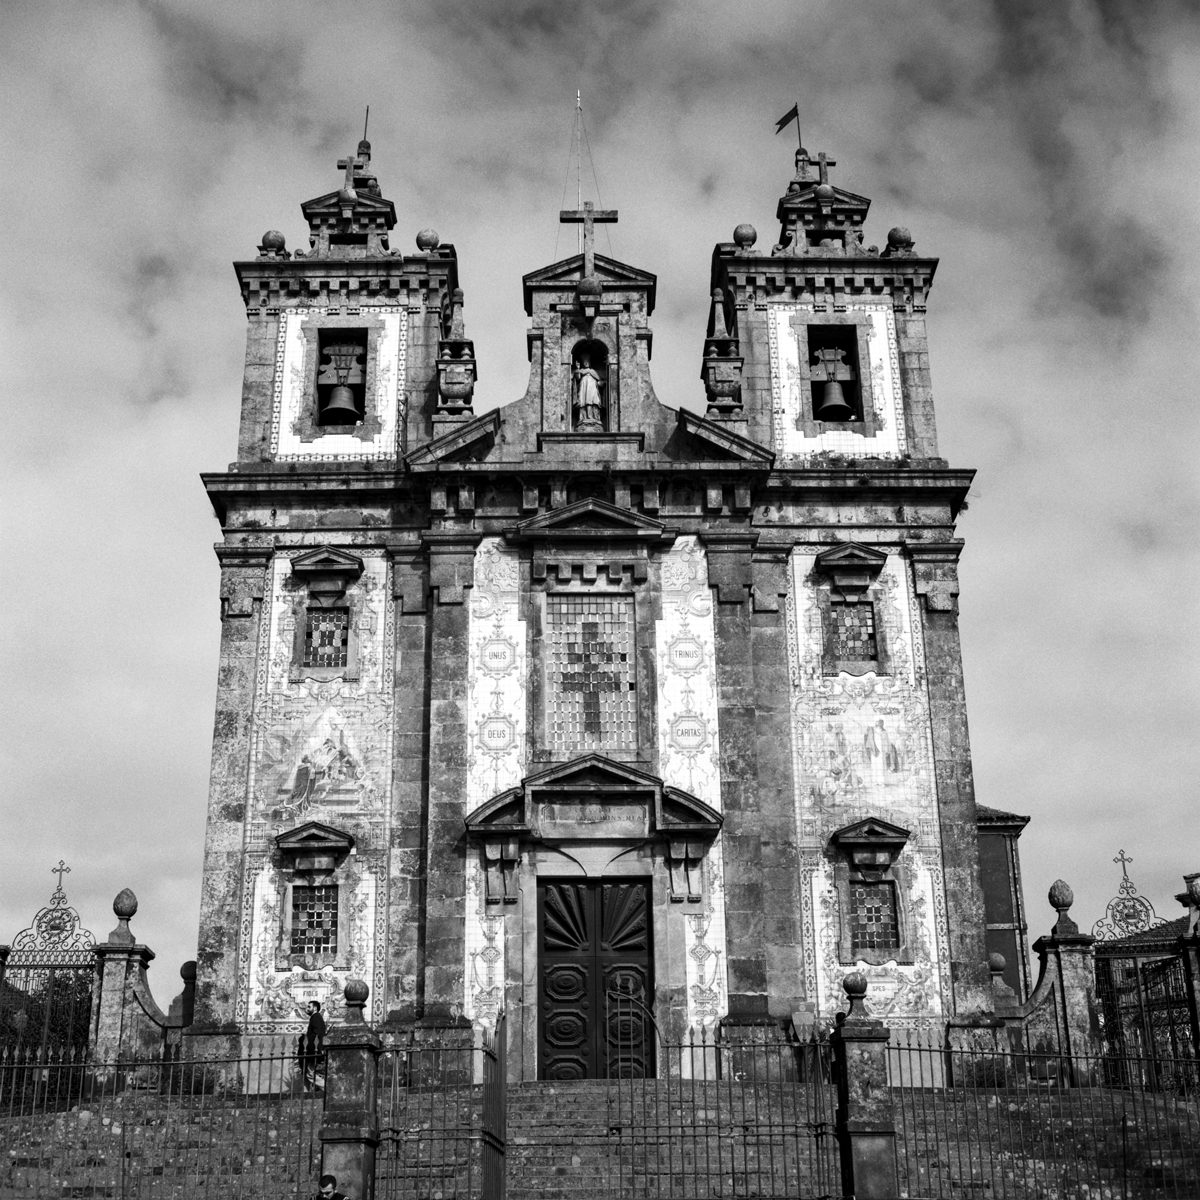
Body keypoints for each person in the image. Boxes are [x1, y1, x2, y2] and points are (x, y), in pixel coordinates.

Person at [301, 1000, 326, 1090]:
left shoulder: (315, 1017)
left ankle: (326, 1087)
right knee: (312, 1072)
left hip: (314, 1050)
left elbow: (316, 1034)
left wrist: (307, 1038)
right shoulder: (316, 1017)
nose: (307, 1009)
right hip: (316, 1049)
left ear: (315, 1008)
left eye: (309, 1007)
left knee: (310, 1074)